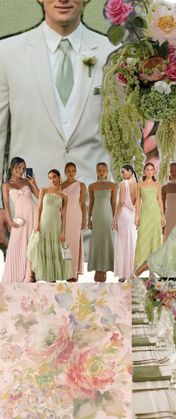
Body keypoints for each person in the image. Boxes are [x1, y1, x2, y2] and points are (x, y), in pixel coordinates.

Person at [0, 0, 117, 247]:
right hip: (27, 216)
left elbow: (126, 138)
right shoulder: (7, 53)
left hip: (94, 220)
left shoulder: (112, 53)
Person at [27, 169, 72, 282]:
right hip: (43, 223)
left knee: (54, 251)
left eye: (54, 177)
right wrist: (37, 224)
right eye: (50, 177)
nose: (52, 179)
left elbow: (64, 215)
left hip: (56, 224)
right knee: (36, 245)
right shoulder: (44, 190)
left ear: (59, 177)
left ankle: (51, 277)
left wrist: (63, 231)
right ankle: (32, 274)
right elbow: (39, 208)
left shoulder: (64, 196)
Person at [2, 157, 39, 282]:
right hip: (20, 218)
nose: (22, 171)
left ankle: (30, 276)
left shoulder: (27, 181)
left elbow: (39, 197)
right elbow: (6, 205)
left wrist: (34, 183)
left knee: (31, 245)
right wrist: (10, 221)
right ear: (12, 168)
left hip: (33, 216)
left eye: (23, 168)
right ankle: (14, 277)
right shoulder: (6, 185)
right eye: (19, 168)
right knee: (16, 246)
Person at [88, 162, 116, 282]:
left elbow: (114, 203)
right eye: (99, 170)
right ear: (96, 171)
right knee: (97, 242)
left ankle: (104, 270)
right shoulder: (92, 186)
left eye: (104, 169)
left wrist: (115, 220)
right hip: (97, 216)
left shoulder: (113, 185)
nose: (101, 172)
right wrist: (89, 219)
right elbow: (91, 203)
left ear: (107, 171)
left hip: (108, 217)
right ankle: (97, 269)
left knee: (106, 241)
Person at [134, 162, 165, 270]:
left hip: (155, 213)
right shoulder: (139, 185)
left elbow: (160, 200)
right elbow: (138, 201)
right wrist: (136, 216)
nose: (149, 171)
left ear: (154, 172)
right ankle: (141, 262)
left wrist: (162, 215)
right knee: (142, 236)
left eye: (151, 169)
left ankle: (155, 263)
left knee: (155, 236)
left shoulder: (158, 185)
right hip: (145, 214)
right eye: (147, 169)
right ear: (144, 171)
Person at [61, 162, 86, 282]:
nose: (71, 173)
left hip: (76, 216)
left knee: (75, 244)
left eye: (73, 170)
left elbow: (83, 204)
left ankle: (74, 271)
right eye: (68, 170)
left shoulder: (81, 185)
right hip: (64, 217)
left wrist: (85, 219)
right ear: (65, 172)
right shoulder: (60, 186)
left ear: (75, 172)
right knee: (66, 244)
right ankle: (67, 270)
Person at [113, 164, 138, 282]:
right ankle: (131, 273)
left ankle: (123, 274)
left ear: (130, 171)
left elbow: (121, 202)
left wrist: (114, 218)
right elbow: (138, 204)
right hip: (132, 216)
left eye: (123, 172)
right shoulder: (138, 185)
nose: (121, 174)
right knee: (131, 243)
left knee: (123, 244)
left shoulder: (123, 184)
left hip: (123, 216)